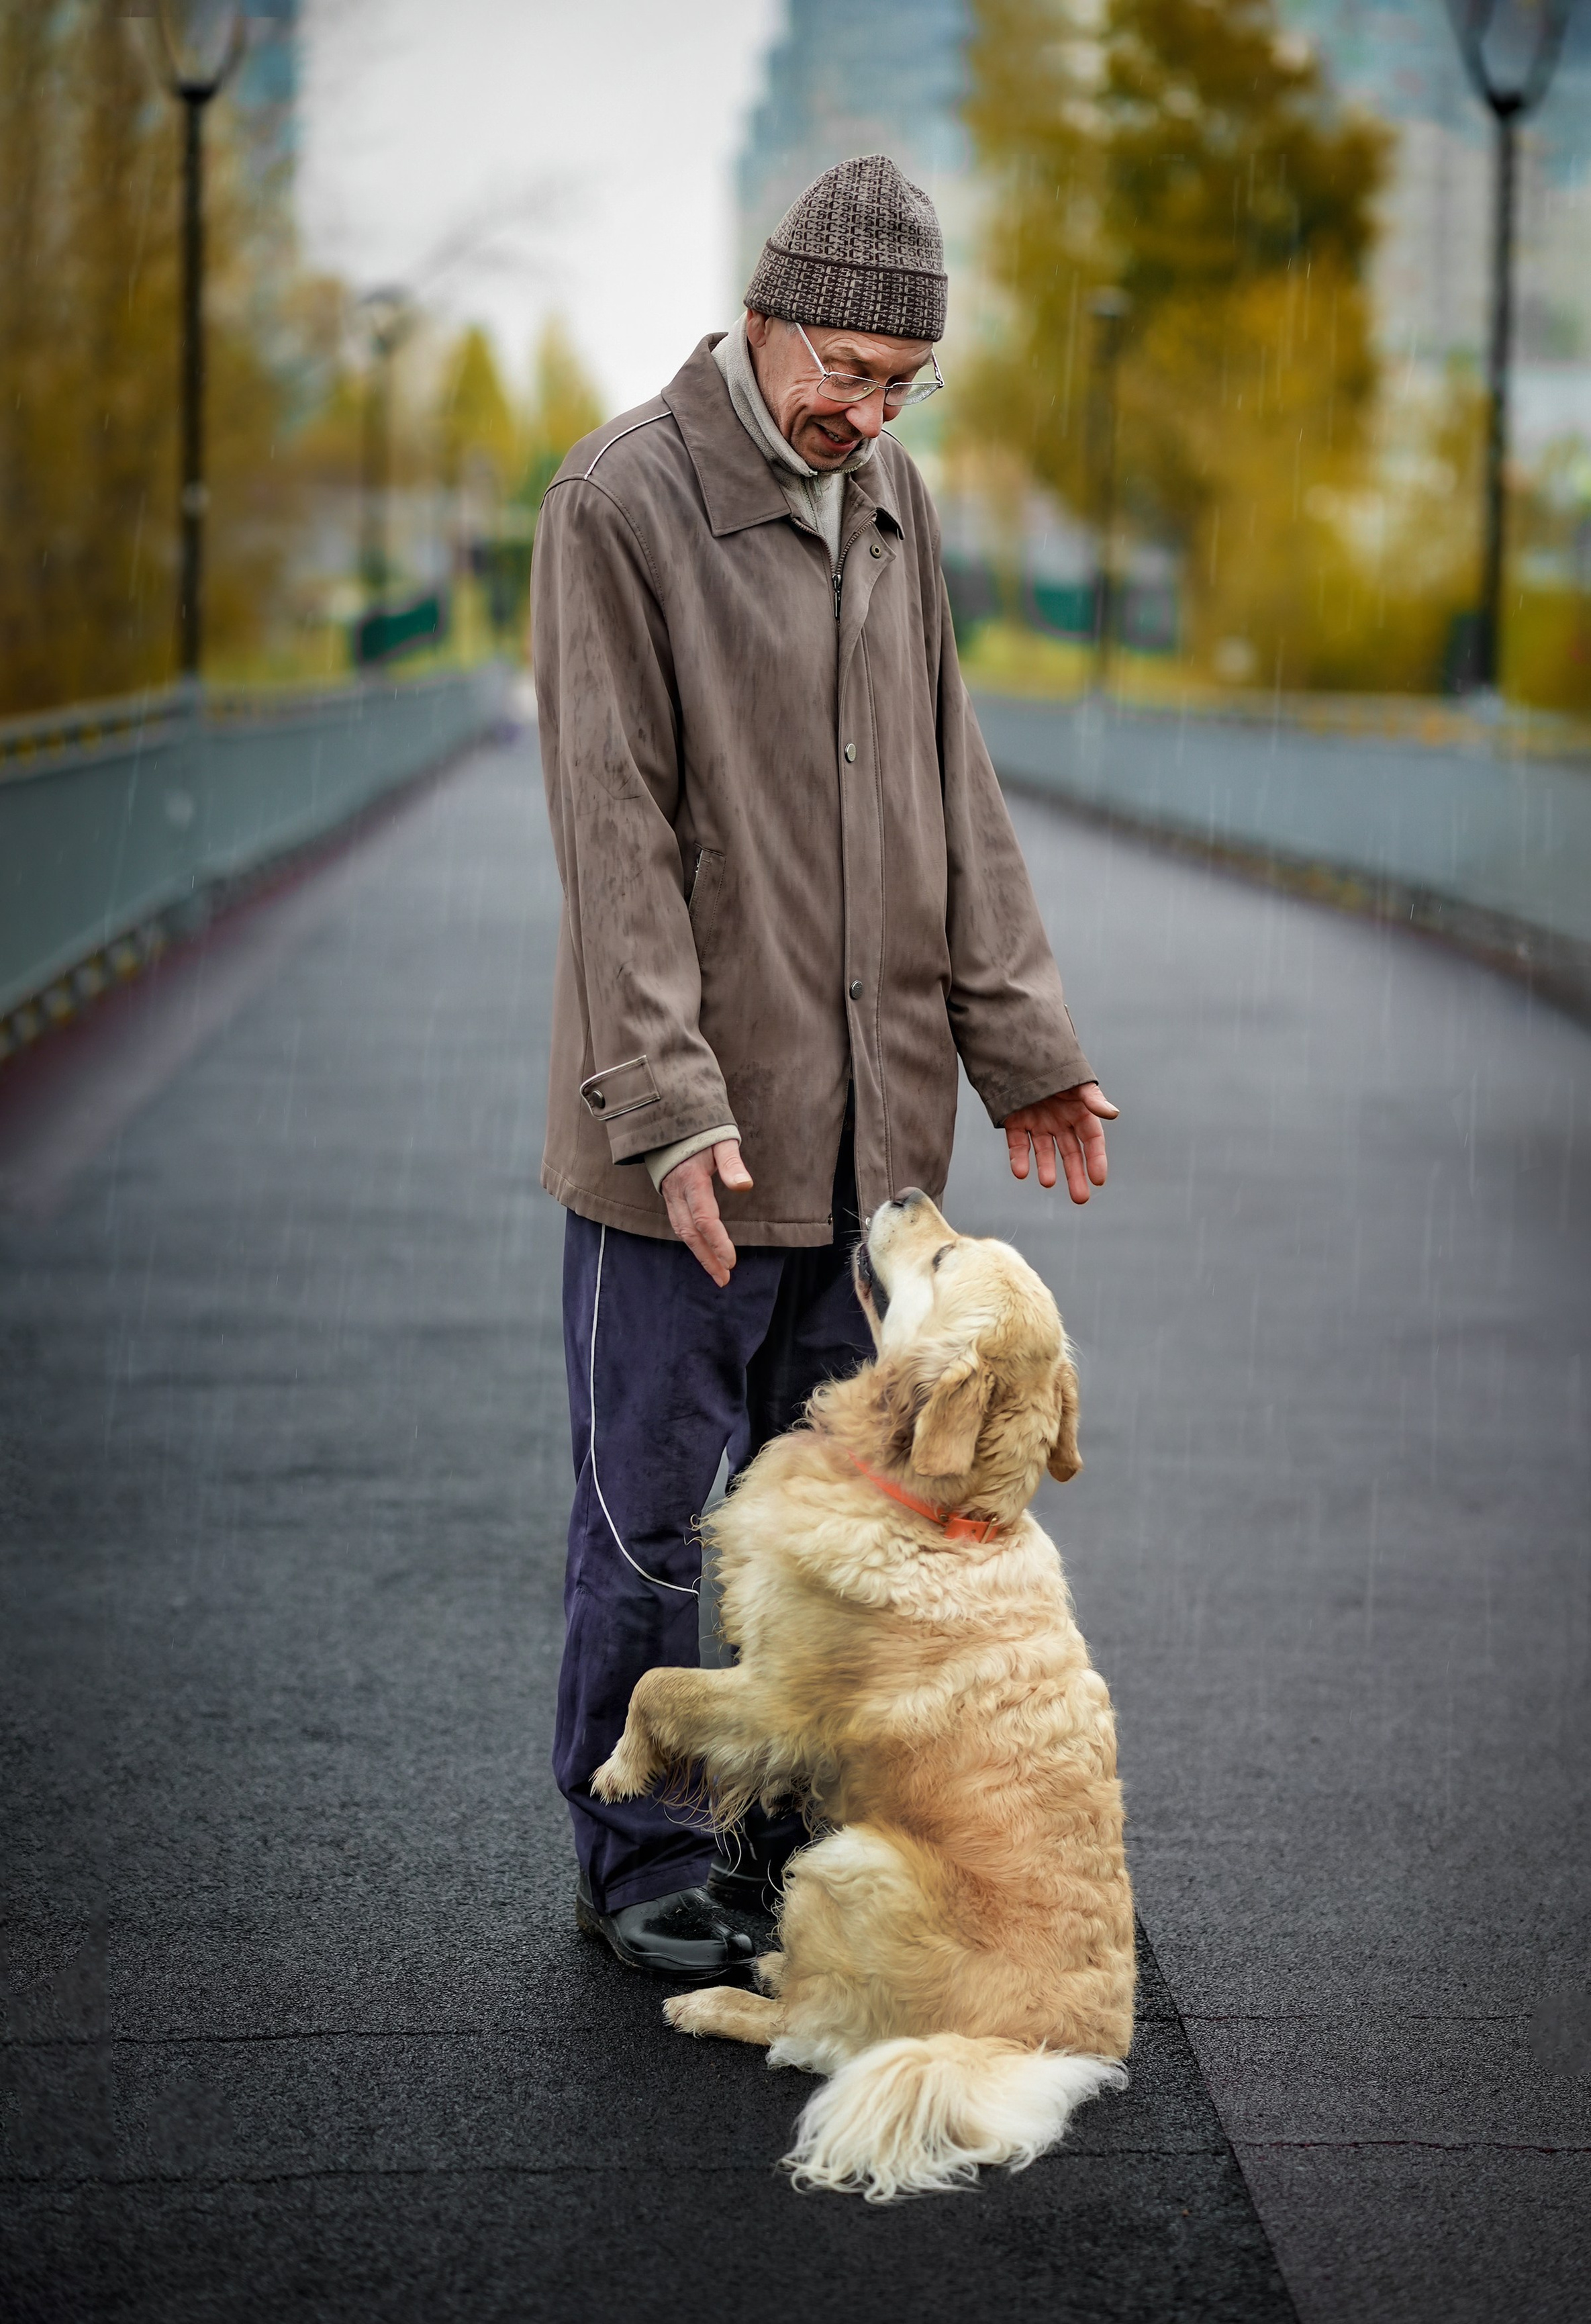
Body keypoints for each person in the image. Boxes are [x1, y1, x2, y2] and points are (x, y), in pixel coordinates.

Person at [530, 152, 1117, 1982]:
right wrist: (672, 1099)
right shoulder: (623, 500)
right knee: (655, 1512)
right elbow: (612, 824)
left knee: (840, 1537)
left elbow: (952, 778)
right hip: (682, 1149)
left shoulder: (892, 503)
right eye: (847, 374)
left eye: (900, 388)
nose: (865, 416)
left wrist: (1020, 1047)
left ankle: (782, 1841)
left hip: (872, 1155)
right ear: (765, 311)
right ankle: (639, 1860)